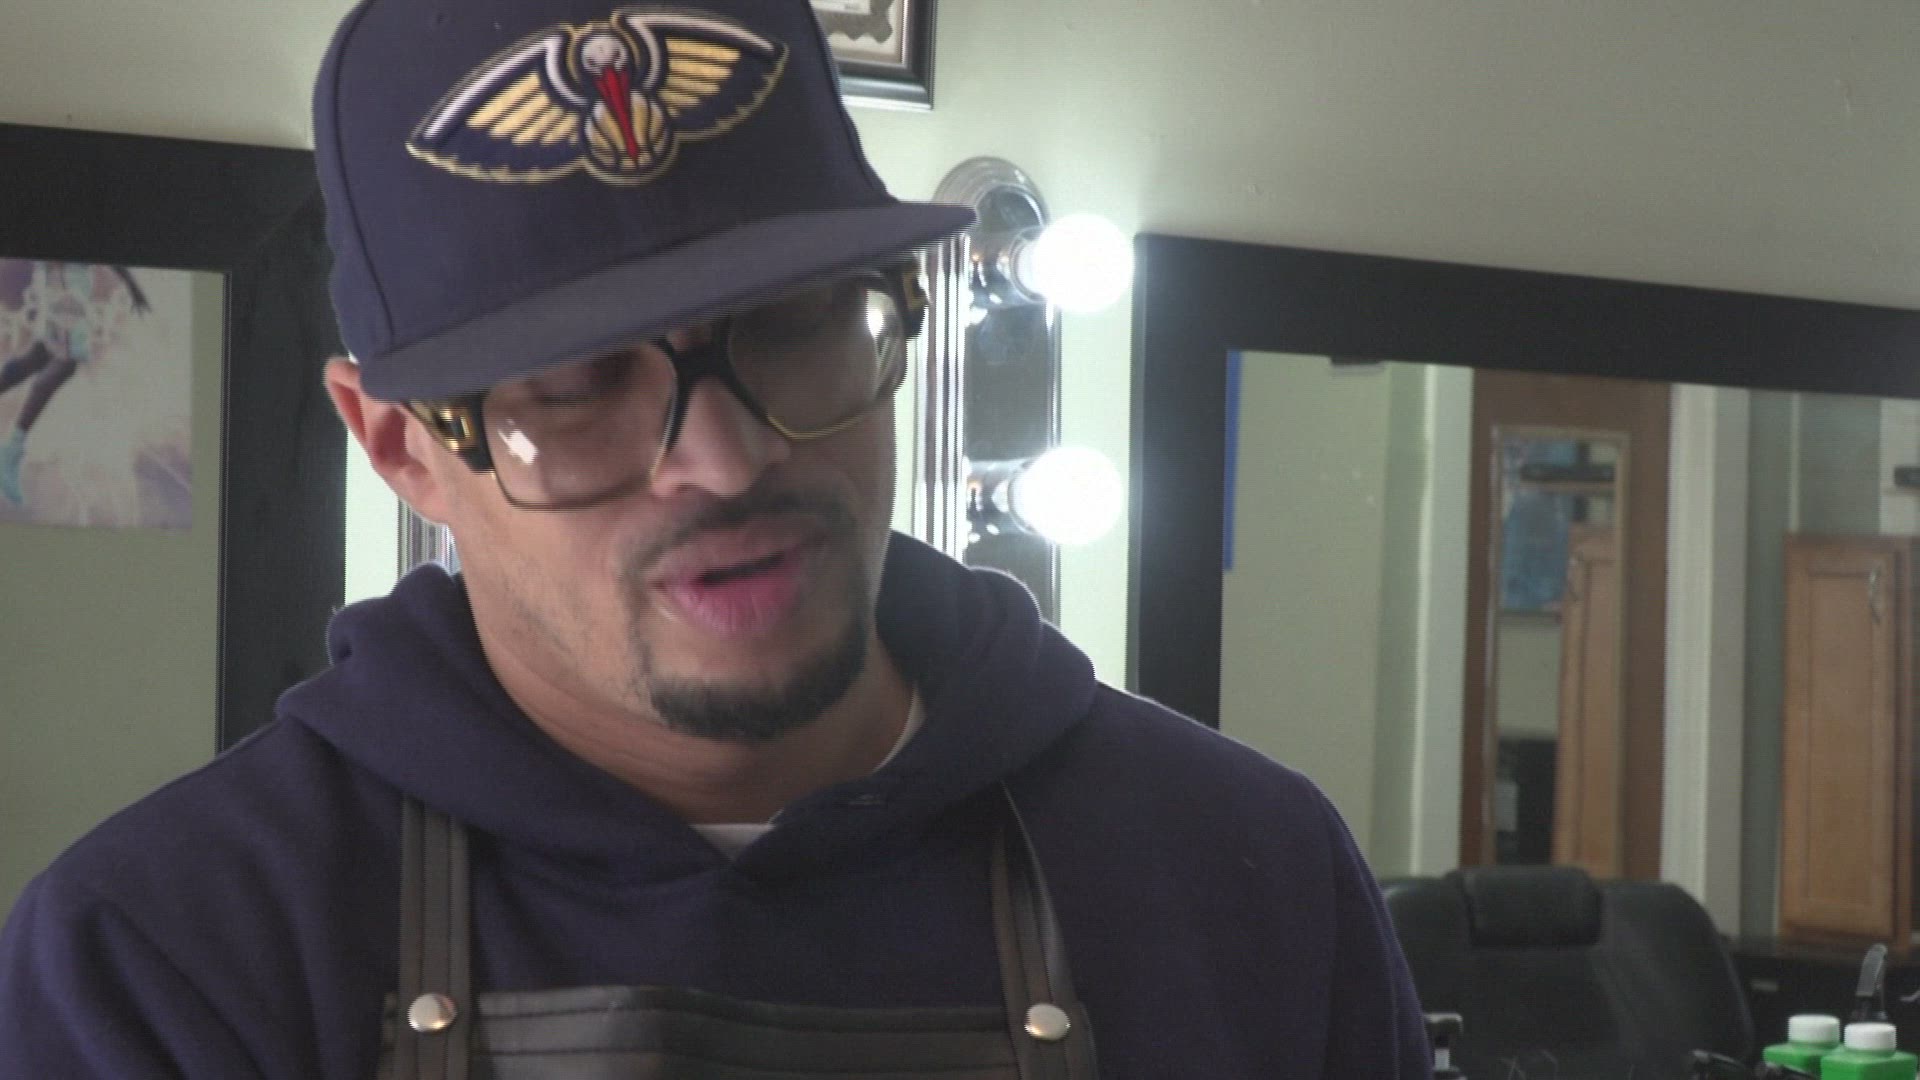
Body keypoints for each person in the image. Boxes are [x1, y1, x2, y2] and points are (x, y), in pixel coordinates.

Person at [0, 0, 1428, 1075]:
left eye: (798, 326)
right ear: (400, 449)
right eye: (576, 389)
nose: (727, 459)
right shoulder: (166, 955)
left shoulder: (1244, 881)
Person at [0, 262, 149, 504]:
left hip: (62, 276)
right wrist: (133, 286)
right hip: (66, 277)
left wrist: (132, 285)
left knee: (41, 354)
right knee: (66, 360)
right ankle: (11, 450)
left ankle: (10, 451)